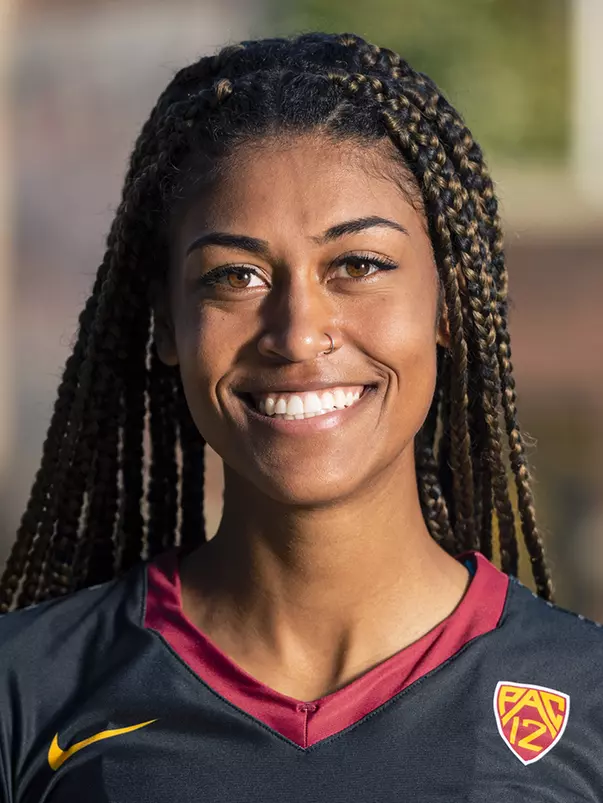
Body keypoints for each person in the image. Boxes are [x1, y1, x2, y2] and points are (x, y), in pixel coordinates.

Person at [0, 32, 601, 802]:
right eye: (236, 276)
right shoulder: (31, 690)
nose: (296, 333)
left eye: (357, 265)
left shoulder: (583, 703)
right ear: (167, 323)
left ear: (448, 301)